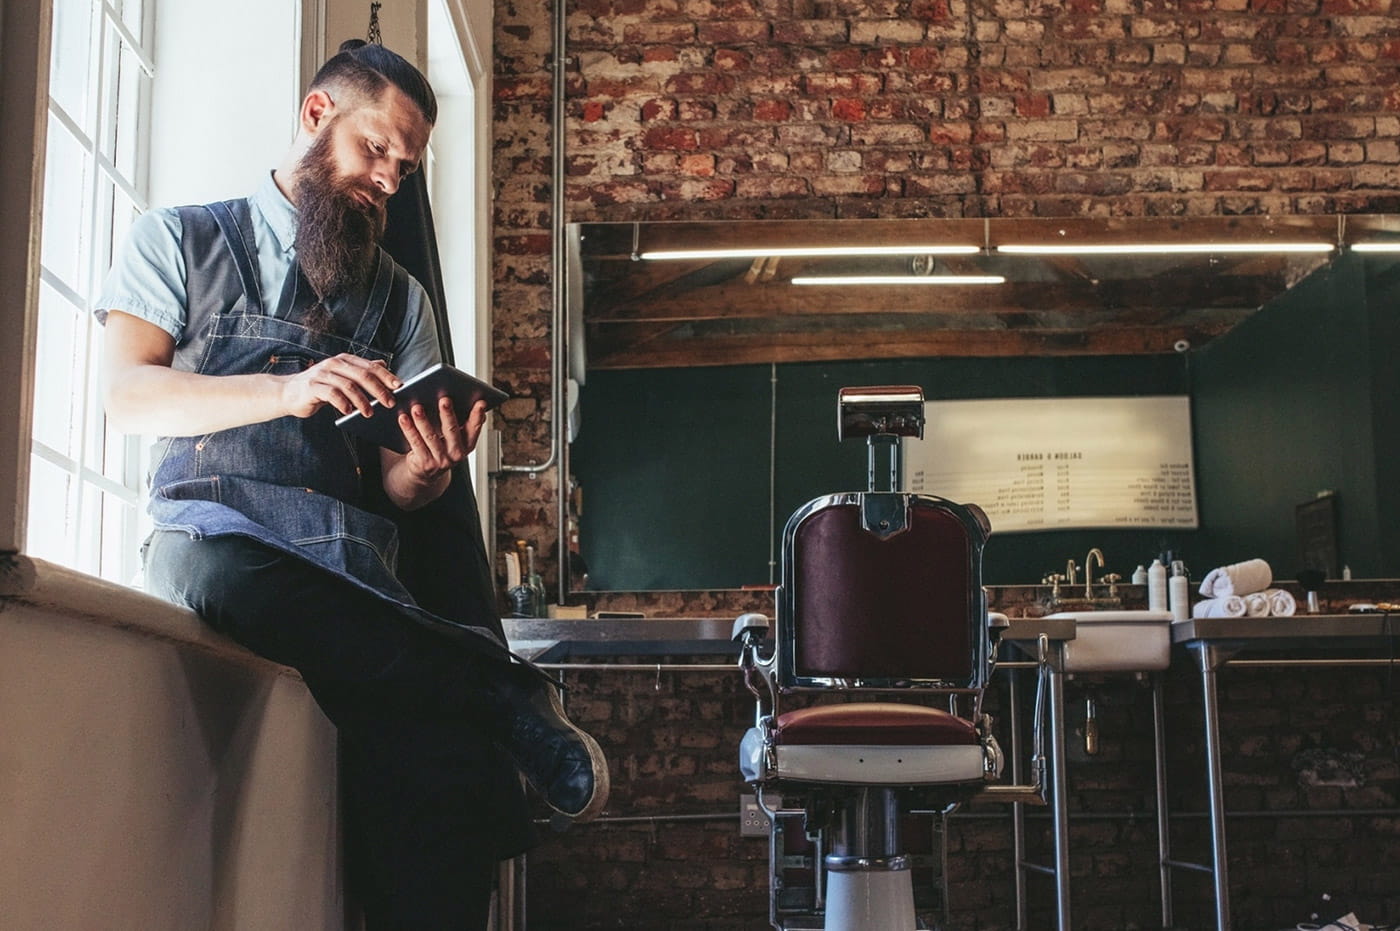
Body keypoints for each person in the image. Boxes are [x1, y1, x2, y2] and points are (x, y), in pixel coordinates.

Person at [95, 40, 608, 929]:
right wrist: (286, 390)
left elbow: (397, 492)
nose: (388, 179)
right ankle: (496, 688)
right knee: (233, 578)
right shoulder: (176, 236)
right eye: (377, 149)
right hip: (215, 539)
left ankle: (476, 729)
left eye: (405, 168)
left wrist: (427, 465)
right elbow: (126, 397)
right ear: (316, 115)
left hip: (352, 575)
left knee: (442, 784)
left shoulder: (400, 298)